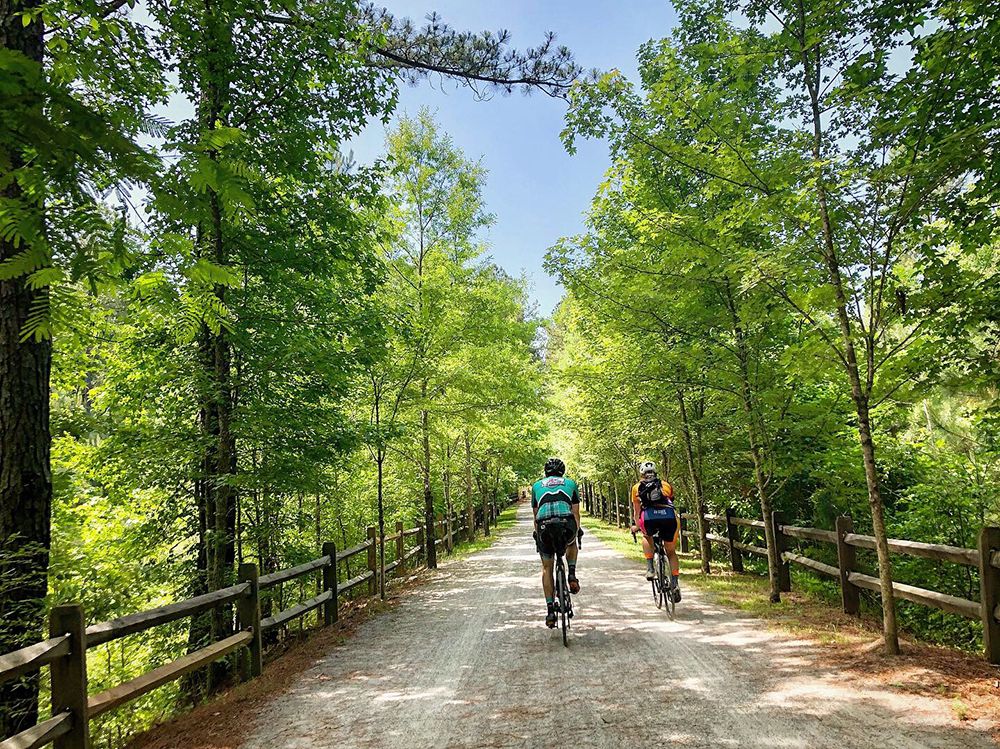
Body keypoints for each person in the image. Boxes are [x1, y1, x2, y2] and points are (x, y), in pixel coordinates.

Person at [531, 457, 582, 628]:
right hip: (566, 523)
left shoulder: (536, 486)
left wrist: (537, 534)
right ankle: (572, 574)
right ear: (562, 472)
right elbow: (575, 513)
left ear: (545, 473)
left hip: (544, 526)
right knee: (572, 541)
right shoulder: (571, 483)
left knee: (547, 568)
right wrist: (578, 529)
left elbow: (536, 515)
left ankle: (550, 610)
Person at [630, 460, 681, 602]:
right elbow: (670, 501)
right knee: (671, 552)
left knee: (647, 536)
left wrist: (637, 526)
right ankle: (675, 583)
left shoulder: (636, 488)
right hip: (669, 518)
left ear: (641, 474)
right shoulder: (666, 485)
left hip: (649, 518)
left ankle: (650, 568)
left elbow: (637, 510)